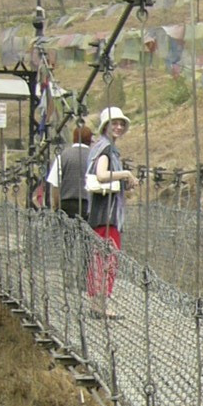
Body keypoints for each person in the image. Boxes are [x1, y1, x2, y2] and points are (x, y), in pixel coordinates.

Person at [84, 106, 139, 315]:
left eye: (121, 123)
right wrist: (125, 173)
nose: (118, 127)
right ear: (105, 126)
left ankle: (98, 304)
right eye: (113, 123)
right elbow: (101, 175)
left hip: (103, 212)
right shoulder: (105, 149)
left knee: (102, 257)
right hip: (107, 215)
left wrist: (126, 183)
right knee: (107, 258)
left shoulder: (103, 147)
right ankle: (100, 305)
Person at [45, 124, 95, 219]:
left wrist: (56, 206)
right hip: (88, 205)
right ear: (90, 140)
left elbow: (55, 184)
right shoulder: (94, 157)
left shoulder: (63, 156)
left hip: (66, 205)